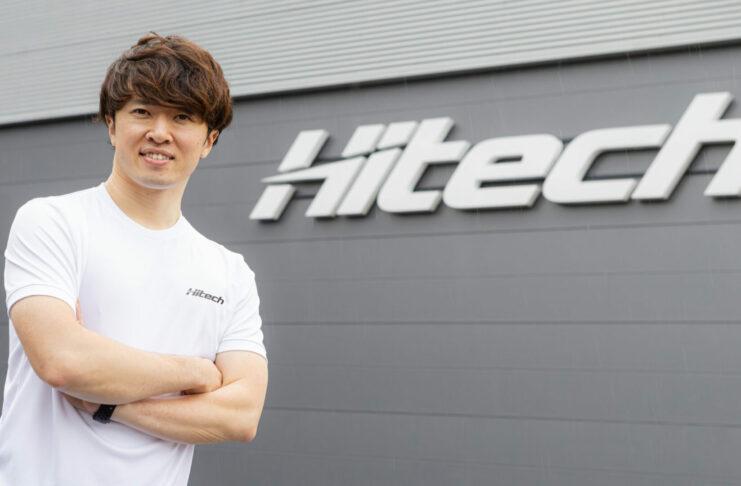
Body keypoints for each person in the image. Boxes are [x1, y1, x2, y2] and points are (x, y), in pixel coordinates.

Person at [1, 33, 268, 485]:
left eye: (182, 117)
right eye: (142, 112)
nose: (159, 132)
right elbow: (63, 361)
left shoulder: (229, 272)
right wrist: (195, 371)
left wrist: (110, 405)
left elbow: (241, 415)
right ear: (112, 125)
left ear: (209, 139)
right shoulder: (53, 222)